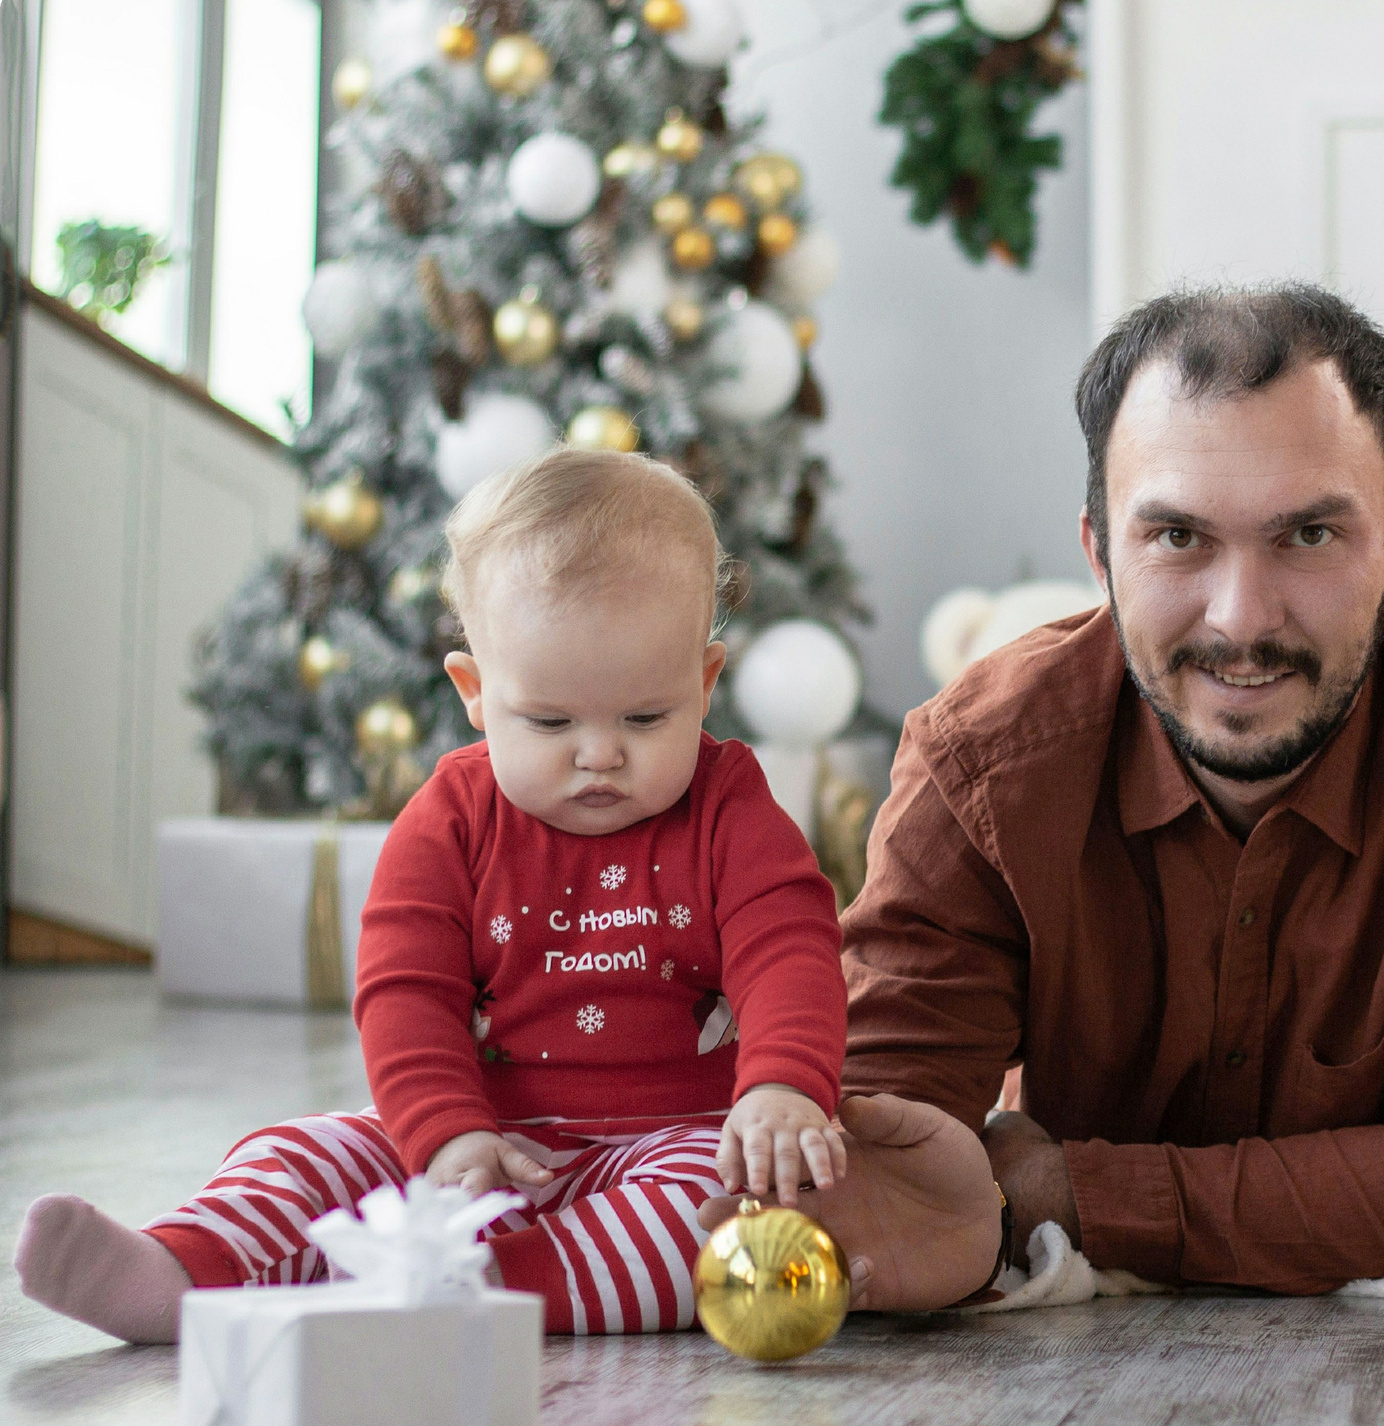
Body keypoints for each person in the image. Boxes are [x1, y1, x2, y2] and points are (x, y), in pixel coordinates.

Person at [764, 283, 1384, 1295]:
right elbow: (877, 1152)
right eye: (1177, 537)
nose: (1239, 617)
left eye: (1307, 536)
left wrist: (1058, 1190)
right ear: (1100, 554)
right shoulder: (983, 766)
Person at [14, 448, 900, 1339]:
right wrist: (443, 1136)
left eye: (645, 718)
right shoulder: (452, 819)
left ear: (703, 686)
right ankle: (180, 1268)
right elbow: (405, 992)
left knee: (719, 1219)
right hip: (482, 1142)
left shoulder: (728, 806)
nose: (599, 753)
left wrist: (781, 1089)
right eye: (549, 722)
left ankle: (476, 1285)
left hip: (670, 1141)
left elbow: (789, 954)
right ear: (475, 694)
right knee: (306, 1151)